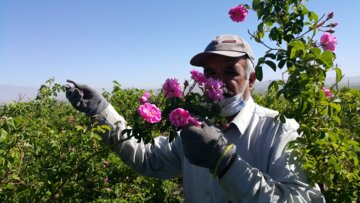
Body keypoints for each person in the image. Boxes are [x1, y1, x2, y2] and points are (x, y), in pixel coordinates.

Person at [65, 34, 325, 202]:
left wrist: (225, 163)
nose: (219, 82)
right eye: (211, 72)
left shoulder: (278, 129)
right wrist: (102, 111)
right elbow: (147, 158)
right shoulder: (195, 130)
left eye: (231, 72)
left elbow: (303, 199)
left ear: (252, 80)